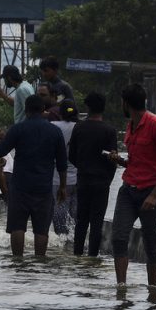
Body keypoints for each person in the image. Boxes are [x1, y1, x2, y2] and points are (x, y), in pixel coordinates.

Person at [0, 95, 67, 257]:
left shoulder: (18, 129)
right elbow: (62, 163)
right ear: (43, 110)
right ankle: (39, 262)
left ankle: (17, 261)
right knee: (41, 229)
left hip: (20, 186)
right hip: (43, 187)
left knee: (17, 227)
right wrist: (62, 186)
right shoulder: (55, 131)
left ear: (26, 110)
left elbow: (0, 152)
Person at [109, 83, 156, 292]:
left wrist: (154, 195)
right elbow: (137, 161)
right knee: (118, 238)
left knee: (150, 244)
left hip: (149, 192)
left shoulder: (155, 124)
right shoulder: (131, 125)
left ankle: (153, 290)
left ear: (126, 104)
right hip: (128, 189)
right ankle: (121, 287)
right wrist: (120, 161)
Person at [68, 91, 117, 257]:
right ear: (103, 109)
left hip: (83, 180)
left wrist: (82, 167)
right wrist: (107, 177)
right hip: (102, 183)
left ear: (87, 107)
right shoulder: (109, 131)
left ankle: (77, 255)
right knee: (97, 222)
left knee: (81, 221)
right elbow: (113, 158)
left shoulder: (79, 127)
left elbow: (71, 156)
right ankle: (93, 257)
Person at [51, 99, 78, 235]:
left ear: (60, 113)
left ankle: (61, 247)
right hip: (79, 178)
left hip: (59, 177)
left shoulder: (53, 126)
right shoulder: (81, 126)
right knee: (76, 216)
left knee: (60, 213)